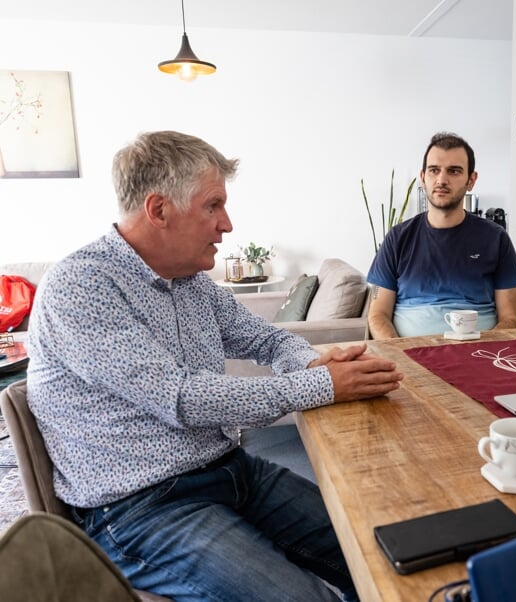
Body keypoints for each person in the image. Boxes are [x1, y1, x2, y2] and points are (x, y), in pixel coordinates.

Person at [26, 130, 404, 601]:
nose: (227, 224)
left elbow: (265, 339)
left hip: (228, 468)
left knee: (394, 550)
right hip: (140, 507)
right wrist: (322, 385)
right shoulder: (80, 286)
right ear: (159, 210)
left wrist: (313, 360)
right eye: (213, 205)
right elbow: (183, 398)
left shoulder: (190, 280)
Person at [366, 132, 516, 339]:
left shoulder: (496, 239)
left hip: (478, 354)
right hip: (407, 355)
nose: (442, 179)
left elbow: (512, 318)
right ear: (423, 178)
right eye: (434, 170)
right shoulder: (397, 239)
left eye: (454, 171)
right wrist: (399, 353)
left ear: (471, 180)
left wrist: (483, 350)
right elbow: (378, 314)